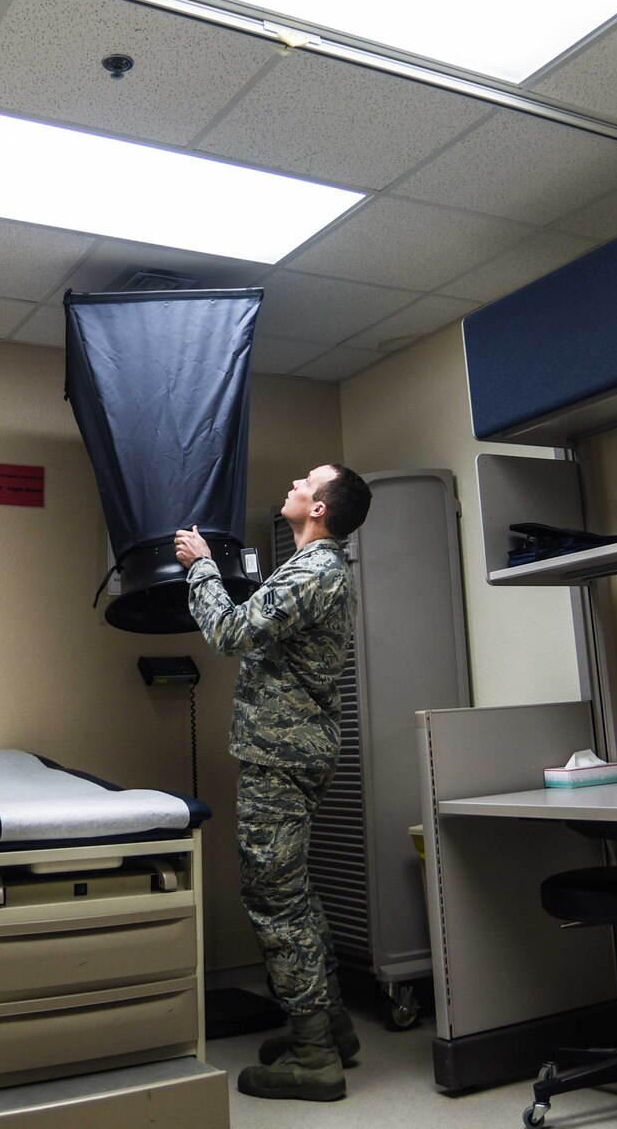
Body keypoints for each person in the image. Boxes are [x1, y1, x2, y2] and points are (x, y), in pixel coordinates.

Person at [174, 463, 372, 1102]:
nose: (293, 483)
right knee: (295, 894)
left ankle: (314, 1057)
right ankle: (331, 1026)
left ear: (319, 508)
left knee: (274, 900)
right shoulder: (316, 569)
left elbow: (230, 632)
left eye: (306, 481)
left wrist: (201, 565)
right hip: (295, 753)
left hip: (282, 759)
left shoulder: (313, 572)